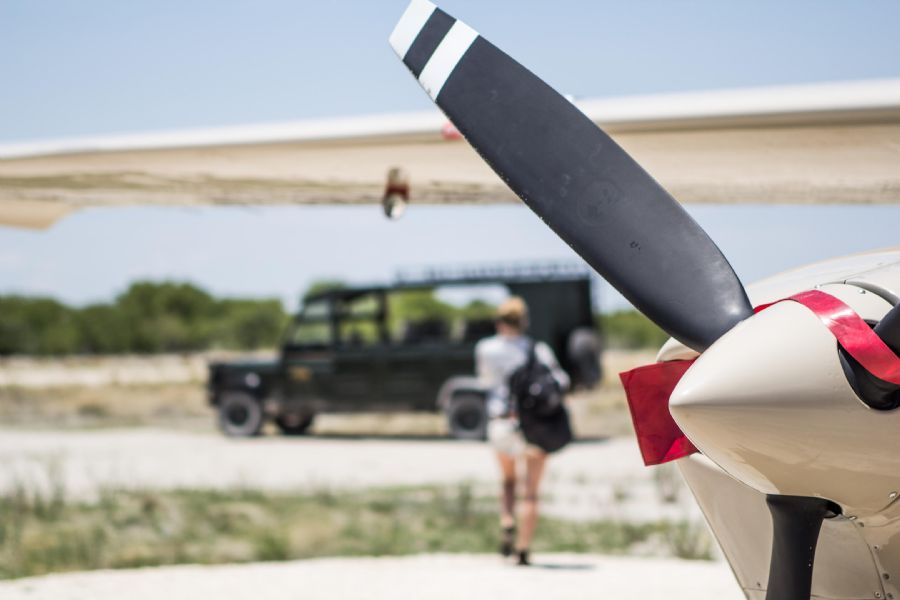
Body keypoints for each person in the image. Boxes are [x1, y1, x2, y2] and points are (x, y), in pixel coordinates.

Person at [475, 296, 570, 566]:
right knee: (530, 491)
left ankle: (507, 521)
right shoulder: (537, 349)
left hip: (502, 422)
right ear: (524, 322)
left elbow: (485, 381)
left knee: (507, 481)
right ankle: (523, 549)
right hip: (534, 425)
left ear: (499, 321)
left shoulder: (486, 348)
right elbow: (561, 381)